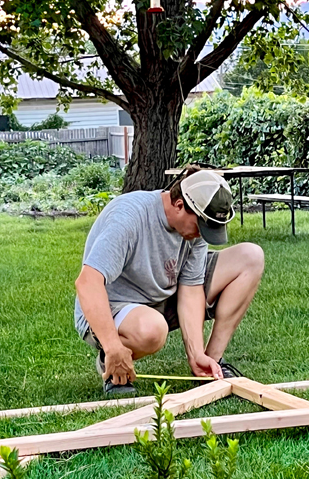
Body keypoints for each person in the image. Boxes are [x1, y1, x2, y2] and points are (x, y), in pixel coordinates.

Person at [74, 166, 265, 396]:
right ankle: (111, 360)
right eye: (200, 226)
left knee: (250, 258)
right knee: (153, 329)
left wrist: (195, 353)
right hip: (114, 309)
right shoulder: (129, 217)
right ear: (179, 205)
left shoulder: (193, 228)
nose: (201, 235)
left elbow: (192, 287)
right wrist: (112, 344)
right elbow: (87, 283)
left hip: (164, 298)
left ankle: (210, 365)